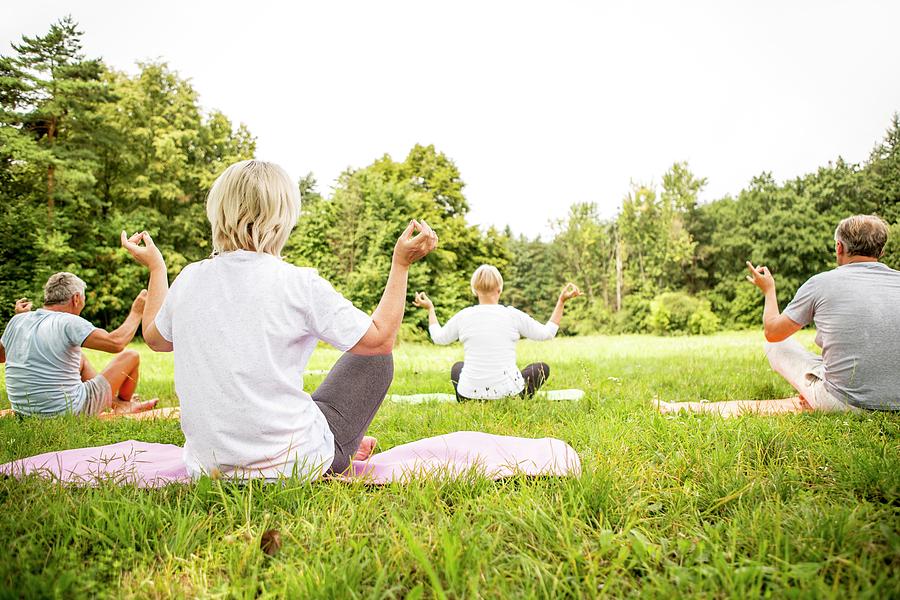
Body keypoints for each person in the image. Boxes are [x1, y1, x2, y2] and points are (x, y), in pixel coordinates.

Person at [121, 159, 437, 480]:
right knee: (374, 361)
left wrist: (157, 269)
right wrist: (401, 264)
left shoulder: (189, 278)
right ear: (283, 218)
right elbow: (380, 339)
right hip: (296, 465)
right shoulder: (298, 283)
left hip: (209, 467)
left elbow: (155, 338)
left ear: (217, 211)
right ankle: (335, 447)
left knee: (298, 400)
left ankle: (327, 437)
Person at [660, 214, 900, 416]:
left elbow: (773, 333)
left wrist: (769, 290)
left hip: (845, 404)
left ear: (839, 247)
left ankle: (815, 396)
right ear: (881, 249)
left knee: (777, 346)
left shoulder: (821, 283)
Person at [413, 264, 580, 400]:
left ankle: (473, 396)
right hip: (509, 394)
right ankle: (511, 394)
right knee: (541, 368)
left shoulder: (464, 315)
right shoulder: (512, 314)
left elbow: (438, 338)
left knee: (458, 367)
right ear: (500, 289)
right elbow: (547, 333)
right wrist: (561, 301)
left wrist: (430, 309)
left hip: (468, 396)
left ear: (474, 290)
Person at [0, 273, 157, 417]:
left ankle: (117, 404)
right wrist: (137, 311)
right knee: (131, 356)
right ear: (76, 298)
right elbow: (116, 343)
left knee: (80, 358)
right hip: (67, 411)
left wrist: (19, 319)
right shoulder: (69, 321)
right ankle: (123, 405)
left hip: (24, 410)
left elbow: (2, 357)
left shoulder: (18, 320)